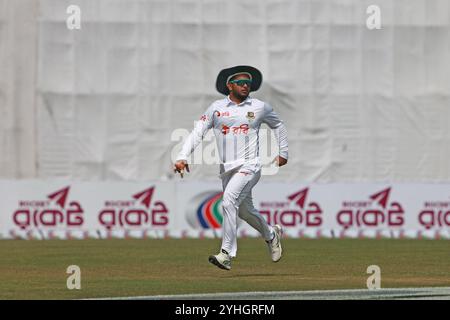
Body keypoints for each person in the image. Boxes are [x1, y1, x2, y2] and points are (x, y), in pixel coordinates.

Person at [173, 65, 289, 270]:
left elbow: (278, 125)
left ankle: (226, 254)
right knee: (245, 211)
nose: (246, 86)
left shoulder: (259, 107)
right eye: (241, 82)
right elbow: (198, 132)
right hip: (228, 169)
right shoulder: (216, 108)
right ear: (229, 85)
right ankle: (271, 234)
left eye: (249, 83)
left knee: (228, 202)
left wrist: (283, 152)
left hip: (250, 165)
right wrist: (182, 156)